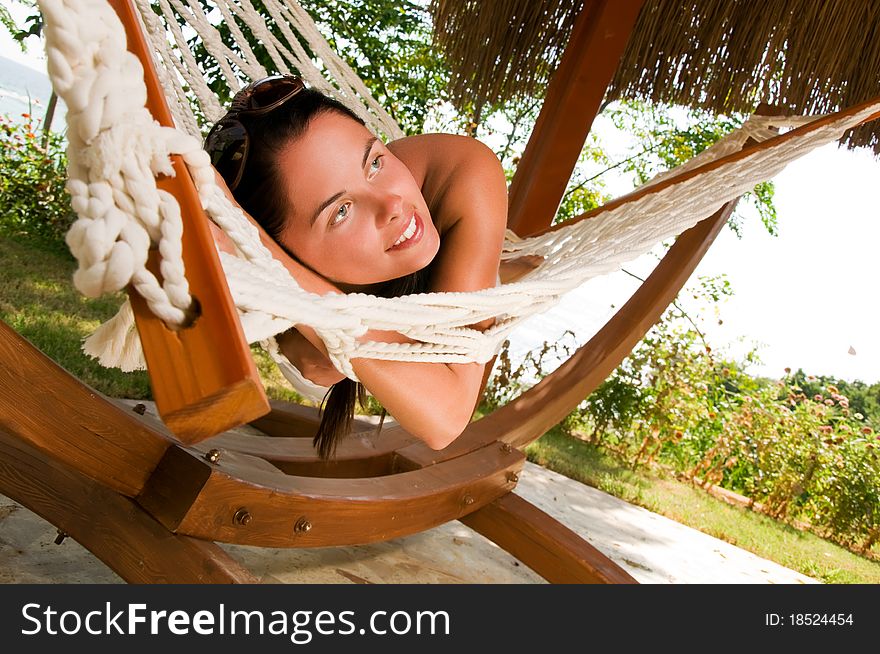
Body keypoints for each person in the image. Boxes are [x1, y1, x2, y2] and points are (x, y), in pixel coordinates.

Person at [205, 75, 517, 457]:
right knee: (318, 363)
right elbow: (316, 367)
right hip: (345, 325)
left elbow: (446, 417)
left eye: (374, 162)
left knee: (513, 272)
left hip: (466, 265)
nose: (392, 205)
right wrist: (256, 250)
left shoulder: (463, 171)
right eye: (341, 212)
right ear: (286, 247)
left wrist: (261, 249)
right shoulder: (293, 340)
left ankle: (517, 268)